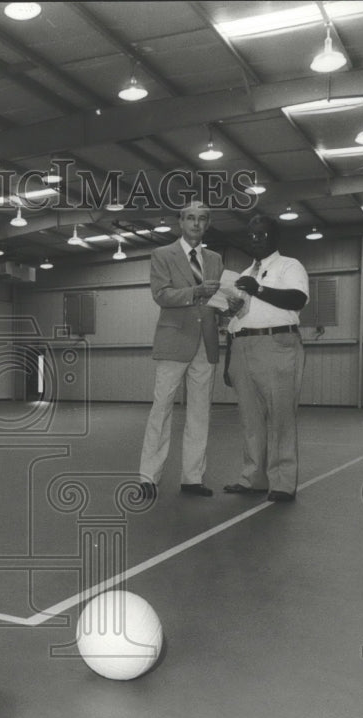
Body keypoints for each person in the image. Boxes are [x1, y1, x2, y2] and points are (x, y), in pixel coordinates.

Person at [137, 201, 223, 501]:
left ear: (207, 223)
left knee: (200, 413)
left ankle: (193, 478)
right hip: (174, 341)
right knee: (161, 410)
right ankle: (148, 477)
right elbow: (161, 294)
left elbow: (217, 299)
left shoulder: (215, 258)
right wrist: (197, 292)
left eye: (201, 219)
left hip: (206, 342)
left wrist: (229, 304)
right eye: (190, 218)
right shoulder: (162, 254)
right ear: (180, 223)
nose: (196, 224)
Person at [223, 214, 309, 503]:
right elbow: (235, 319)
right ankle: (253, 479)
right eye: (251, 235)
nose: (256, 239)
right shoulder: (243, 274)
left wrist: (257, 289)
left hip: (276, 344)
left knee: (281, 416)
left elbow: (297, 299)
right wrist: (228, 361)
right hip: (240, 347)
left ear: (274, 237)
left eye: (262, 234)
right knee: (250, 419)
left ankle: (283, 483)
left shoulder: (290, 265)